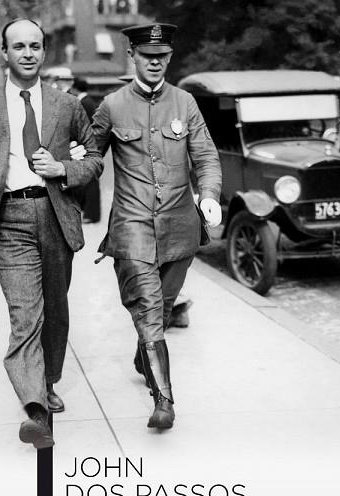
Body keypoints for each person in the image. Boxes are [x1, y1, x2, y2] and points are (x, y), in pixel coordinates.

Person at [0, 18, 102, 449]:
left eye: (35, 46)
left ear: (44, 51)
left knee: (55, 311)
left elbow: (95, 158)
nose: (27, 53)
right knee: (25, 315)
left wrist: (63, 169)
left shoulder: (68, 105)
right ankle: (35, 408)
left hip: (55, 214)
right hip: (8, 220)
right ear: (4, 52)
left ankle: (48, 380)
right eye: (19, 46)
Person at [91, 23, 222, 430]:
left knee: (162, 307)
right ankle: (163, 401)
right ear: (132, 55)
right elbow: (91, 159)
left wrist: (209, 195)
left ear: (169, 57)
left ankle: (143, 355)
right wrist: (66, 167)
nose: (154, 62)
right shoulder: (112, 106)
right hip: (132, 226)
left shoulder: (185, 103)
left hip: (180, 228)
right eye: (147, 56)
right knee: (148, 309)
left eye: (161, 56)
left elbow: (205, 155)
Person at [69, 78, 102, 223]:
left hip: (85, 144)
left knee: (89, 180)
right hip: (89, 143)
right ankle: (89, 212)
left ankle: (91, 213)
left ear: (76, 88)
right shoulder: (89, 101)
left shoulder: (83, 103)